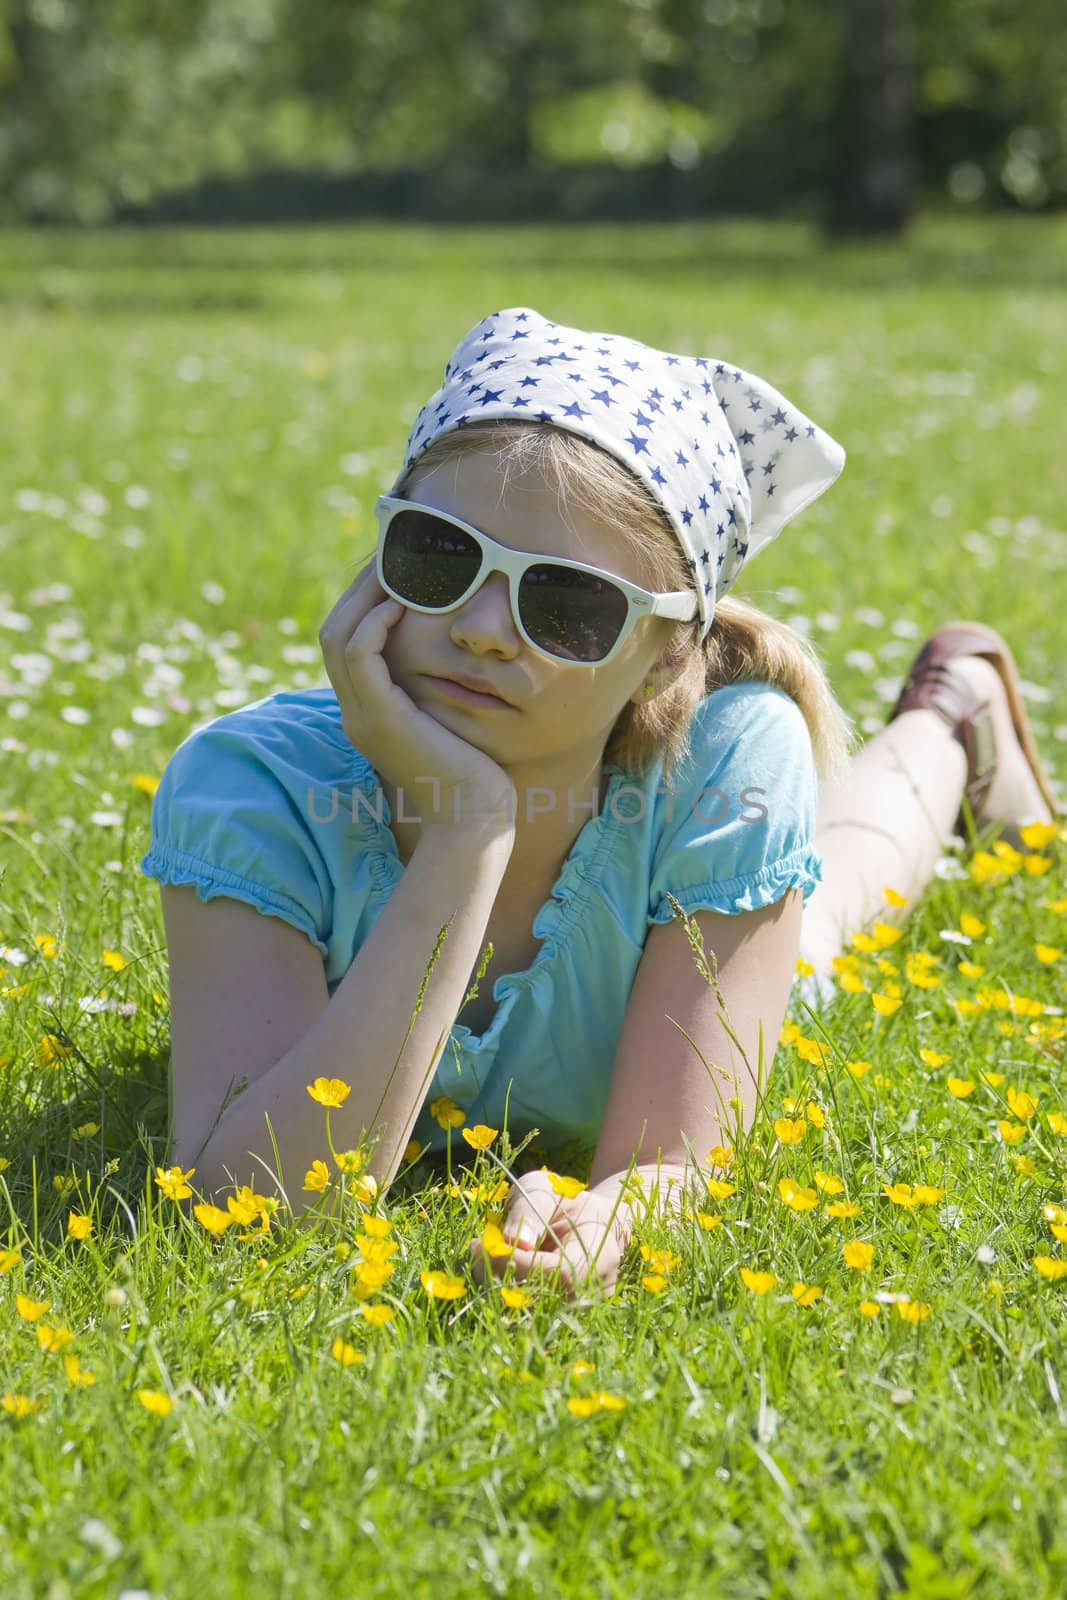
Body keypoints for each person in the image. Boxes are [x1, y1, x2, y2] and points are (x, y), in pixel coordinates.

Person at [140, 307, 1060, 1299]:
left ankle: (953, 719)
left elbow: (672, 1161)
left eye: (569, 604)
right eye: (441, 557)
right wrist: (465, 834)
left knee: (834, 906)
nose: (486, 630)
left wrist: (612, 1209)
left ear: (667, 651)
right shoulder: (253, 787)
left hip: (692, 860)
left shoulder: (723, 759)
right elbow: (248, 1204)